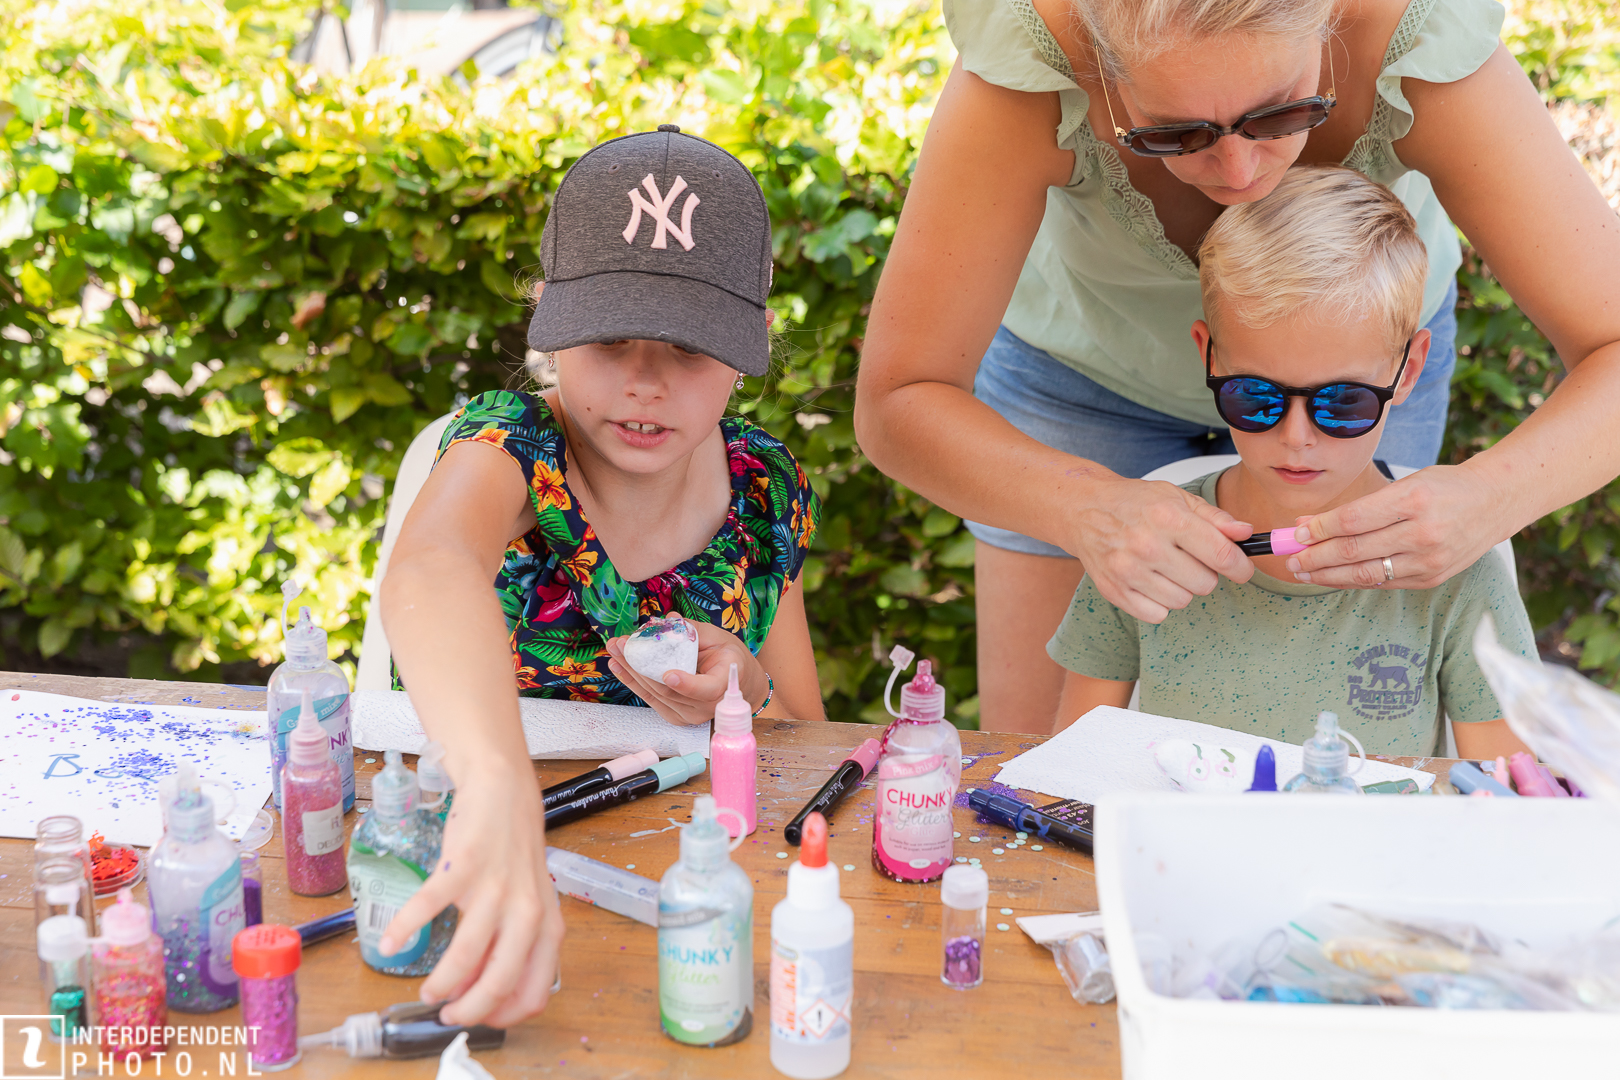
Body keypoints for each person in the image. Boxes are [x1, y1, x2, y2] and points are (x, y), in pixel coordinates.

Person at [853, 0, 1620, 734]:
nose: (1240, 171)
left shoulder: (1414, 37)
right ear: (1103, 72)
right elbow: (899, 398)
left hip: (1356, 366)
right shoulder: (1034, 57)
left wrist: (1488, 500)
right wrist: (1083, 507)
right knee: (1038, 767)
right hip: (1083, 379)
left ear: (1331, 22)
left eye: (1281, 114)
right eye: (1175, 133)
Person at [377, 126, 822, 1025]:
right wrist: (497, 787)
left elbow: (802, 736)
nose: (645, 382)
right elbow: (430, 563)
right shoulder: (513, 444)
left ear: (752, 342)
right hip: (474, 862)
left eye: (690, 347)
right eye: (611, 338)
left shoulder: (764, 489)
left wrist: (742, 687)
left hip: (695, 895)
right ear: (549, 320)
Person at [1049, 165, 1535, 759]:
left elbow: (1506, 794)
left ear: (1407, 371)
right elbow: (1071, 772)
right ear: (1210, 359)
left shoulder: (1454, 567)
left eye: (1343, 401)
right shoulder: (1143, 547)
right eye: (1255, 397)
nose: (1296, 438)